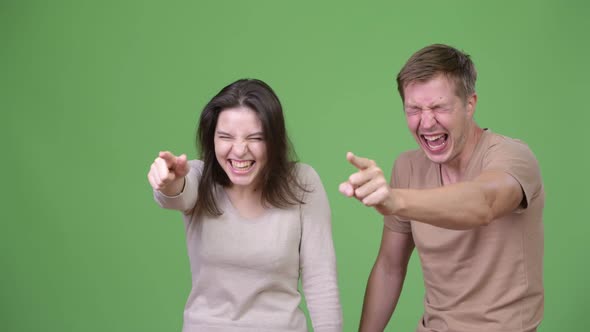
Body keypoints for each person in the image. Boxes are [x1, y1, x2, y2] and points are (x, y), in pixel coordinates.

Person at [339, 44, 544, 332]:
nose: (426, 122)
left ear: (469, 104)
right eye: (414, 110)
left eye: (438, 107)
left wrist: (396, 199)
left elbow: (482, 203)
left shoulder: (513, 156)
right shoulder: (407, 167)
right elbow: (389, 267)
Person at [148, 79, 342, 332]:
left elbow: (321, 280)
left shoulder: (302, 182)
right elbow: (177, 194)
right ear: (212, 139)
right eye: (225, 137)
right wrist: (167, 183)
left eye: (255, 138)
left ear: (274, 140)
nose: (239, 150)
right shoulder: (198, 176)